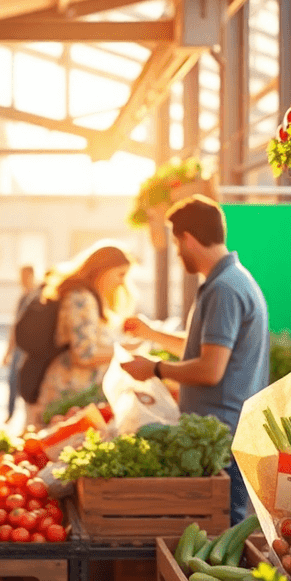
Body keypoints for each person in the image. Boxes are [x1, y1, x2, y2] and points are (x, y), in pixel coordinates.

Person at [121, 195, 269, 525]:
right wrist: (152, 335)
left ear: (188, 239)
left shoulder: (224, 290)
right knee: (219, 532)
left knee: (221, 534)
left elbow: (210, 369)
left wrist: (155, 369)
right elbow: (203, 350)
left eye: (176, 244)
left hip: (222, 437)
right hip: (223, 433)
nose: (177, 254)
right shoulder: (229, 281)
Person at [30, 243, 134, 427]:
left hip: (79, 394)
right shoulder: (81, 298)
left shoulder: (90, 297)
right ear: (103, 270)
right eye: (120, 274)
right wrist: (128, 351)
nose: (122, 282)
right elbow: (84, 354)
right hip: (70, 393)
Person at [3, 265, 39, 423]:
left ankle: (27, 417)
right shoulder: (22, 297)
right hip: (19, 347)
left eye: (26, 276)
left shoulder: (38, 296)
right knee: (12, 380)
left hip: (31, 349)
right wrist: (8, 351)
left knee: (27, 382)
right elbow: (15, 326)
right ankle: (10, 414)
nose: (23, 280)